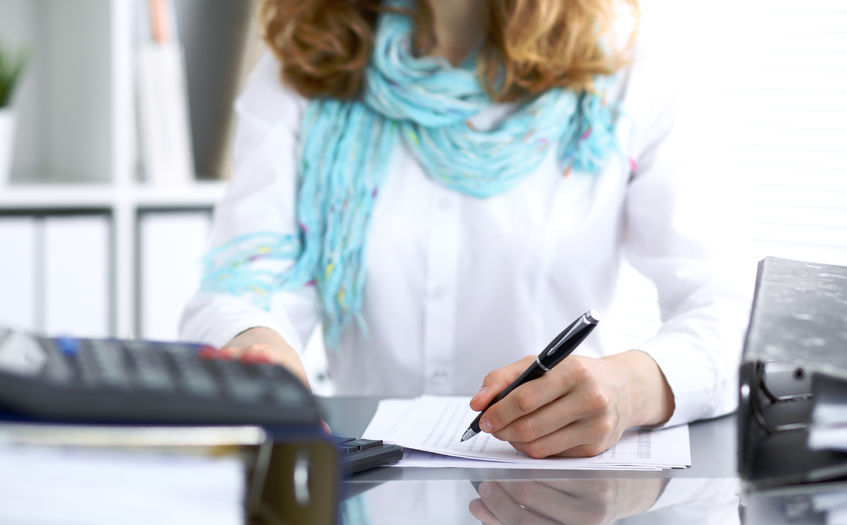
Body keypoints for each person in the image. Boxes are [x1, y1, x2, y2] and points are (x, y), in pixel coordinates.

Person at [180, 0, 750, 458]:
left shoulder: (631, 70)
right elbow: (240, 282)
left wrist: (631, 388)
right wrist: (257, 348)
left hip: (557, 500)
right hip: (366, 496)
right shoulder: (303, 66)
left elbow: (730, 312)